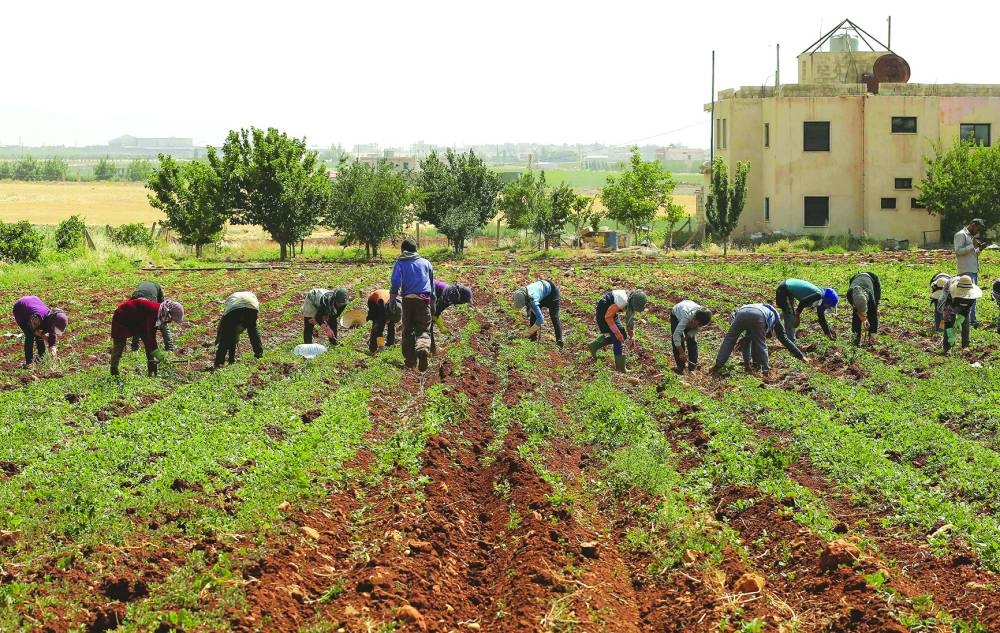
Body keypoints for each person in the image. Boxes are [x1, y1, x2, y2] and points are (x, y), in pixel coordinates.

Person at [711, 303, 808, 375]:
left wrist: (747, 365)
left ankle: (718, 365)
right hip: (758, 315)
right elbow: (784, 340)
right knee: (760, 343)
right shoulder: (775, 319)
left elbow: (746, 341)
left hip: (742, 313)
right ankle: (765, 370)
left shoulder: (762, 309)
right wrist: (801, 356)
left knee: (729, 339)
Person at [110, 297, 184, 376]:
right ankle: (114, 371)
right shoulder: (155, 312)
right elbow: (151, 337)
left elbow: (150, 339)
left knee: (148, 343)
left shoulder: (159, 313)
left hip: (139, 322)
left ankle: (151, 367)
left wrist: (156, 355)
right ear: (169, 314)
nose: (170, 321)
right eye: (171, 319)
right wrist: (160, 356)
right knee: (119, 345)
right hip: (123, 316)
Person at [390, 238, 434, 371]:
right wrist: (432, 303)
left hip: (408, 300)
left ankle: (410, 362)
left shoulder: (400, 263)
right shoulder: (426, 263)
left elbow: (395, 282)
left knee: (407, 331)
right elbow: (431, 286)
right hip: (423, 300)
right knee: (423, 329)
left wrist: (392, 299)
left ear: (403, 250)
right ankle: (423, 348)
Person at [587, 289, 648, 372]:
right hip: (603, 312)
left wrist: (632, 337)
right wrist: (617, 332)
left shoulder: (631, 299)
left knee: (622, 334)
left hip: (610, 313)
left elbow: (629, 322)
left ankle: (594, 345)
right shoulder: (622, 300)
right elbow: (608, 317)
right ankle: (620, 367)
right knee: (618, 337)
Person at [775, 278, 838, 343]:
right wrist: (797, 315)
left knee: (788, 311)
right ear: (826, 302)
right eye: (828, 306)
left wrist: (828, 334)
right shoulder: (818, 295)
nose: (827, 307)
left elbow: (821, 318)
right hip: (784, 290)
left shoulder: (821, 299)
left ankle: (773, 321)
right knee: (791, 317)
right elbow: (803, 302)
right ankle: (791, 343)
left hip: (788, 287)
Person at [12, 296, 68, 368]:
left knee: (40, 335)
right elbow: (34, 331)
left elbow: (52, 343)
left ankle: (41, 358)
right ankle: (29, 363)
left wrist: (54, 357)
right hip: (21, 308)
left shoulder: (52, 320)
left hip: (33, 302)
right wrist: (44, 336)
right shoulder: (37, 318)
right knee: (30, 335)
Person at [214, 291, 263, 368]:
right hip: (251, 306)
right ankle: (259, 354)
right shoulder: (250, 295)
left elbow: (222, 327)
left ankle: (219, 362)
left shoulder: (230, 301)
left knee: (226, 336)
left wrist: (218, 338)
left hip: (234, 310)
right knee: (253, 331)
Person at [954, 218, 987, 327]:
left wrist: (979, 249)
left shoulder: (971, 237)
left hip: (973, 270)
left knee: (973, 297)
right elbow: (958, 251)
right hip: (965, 271)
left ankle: (972, 320)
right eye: (978, 228)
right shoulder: (961, 235)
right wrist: (972, 246)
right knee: (966, 298)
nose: (978, 232)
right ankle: (966, 321)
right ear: (973, 224)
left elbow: (973, 254)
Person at [512, 280, 564, 348]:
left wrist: (528, 333)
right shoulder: (518, 293)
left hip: (552, 292)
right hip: (541, 293)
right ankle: (532, 339)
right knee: (533, 316)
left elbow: (540, 319)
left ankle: (559, 341)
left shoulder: (532, 299)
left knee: (554, 316)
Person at [129, 281, 175, 351]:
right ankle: (134, 347)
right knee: (138, 323)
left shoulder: (152, 303)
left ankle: (170, 347)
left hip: (152, 293)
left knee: (162, 321)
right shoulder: (132, 302)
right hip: (142, 294)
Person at [940, 275, 981, 353]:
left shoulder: (972, 294)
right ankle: (947, 348)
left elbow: (968, 308)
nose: (964, 294)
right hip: (951, 303)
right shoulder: (950, 292)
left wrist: (961, 318)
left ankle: (965, 346)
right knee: (950, 323)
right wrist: (950, 332)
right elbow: (947, 314)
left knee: (965, 323)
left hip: (960, 303)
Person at [669, 300, 712, 373]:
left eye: (701, 325)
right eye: (698, 324)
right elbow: (676, 335)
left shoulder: (703, 318)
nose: (698, 326)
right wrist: (682, 352)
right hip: (677, 314)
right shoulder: (686, 317)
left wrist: (686, 337)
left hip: (689, 306)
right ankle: (680, 367)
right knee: (677, 341)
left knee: (692, 341)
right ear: (694, 318)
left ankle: (692, 367)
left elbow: (695, 329)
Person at [846, 272, 881, 346]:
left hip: (872, 278)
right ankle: (855, 339)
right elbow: (856, 312)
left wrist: (873, 333)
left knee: (872, 312)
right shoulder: (850, 294)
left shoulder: (871, 298)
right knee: (856, 316)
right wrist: (863, 317)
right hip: (855, 278)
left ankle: (872, 337)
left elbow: (873, 315)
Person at [365, 289, 401, 354]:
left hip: (387, 299)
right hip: (373, 301)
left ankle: (390, 345)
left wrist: (389, 320)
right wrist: (382, 320)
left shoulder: (397, 305)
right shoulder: (382, 306)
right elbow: (379, 323)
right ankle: (373, 348)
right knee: (378, 326)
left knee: (391, 324)